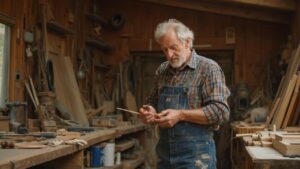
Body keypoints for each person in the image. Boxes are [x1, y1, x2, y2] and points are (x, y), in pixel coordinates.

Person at [138, 19, 230, 169]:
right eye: (164, 50)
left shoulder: (208, 68)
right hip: (165, 156)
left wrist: (181, 115)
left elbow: (221, 112)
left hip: (197, 158)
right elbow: (152, 101)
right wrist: (149, 110)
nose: (169, 55)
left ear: (187, 42)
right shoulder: (162, 70)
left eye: (173, 48)